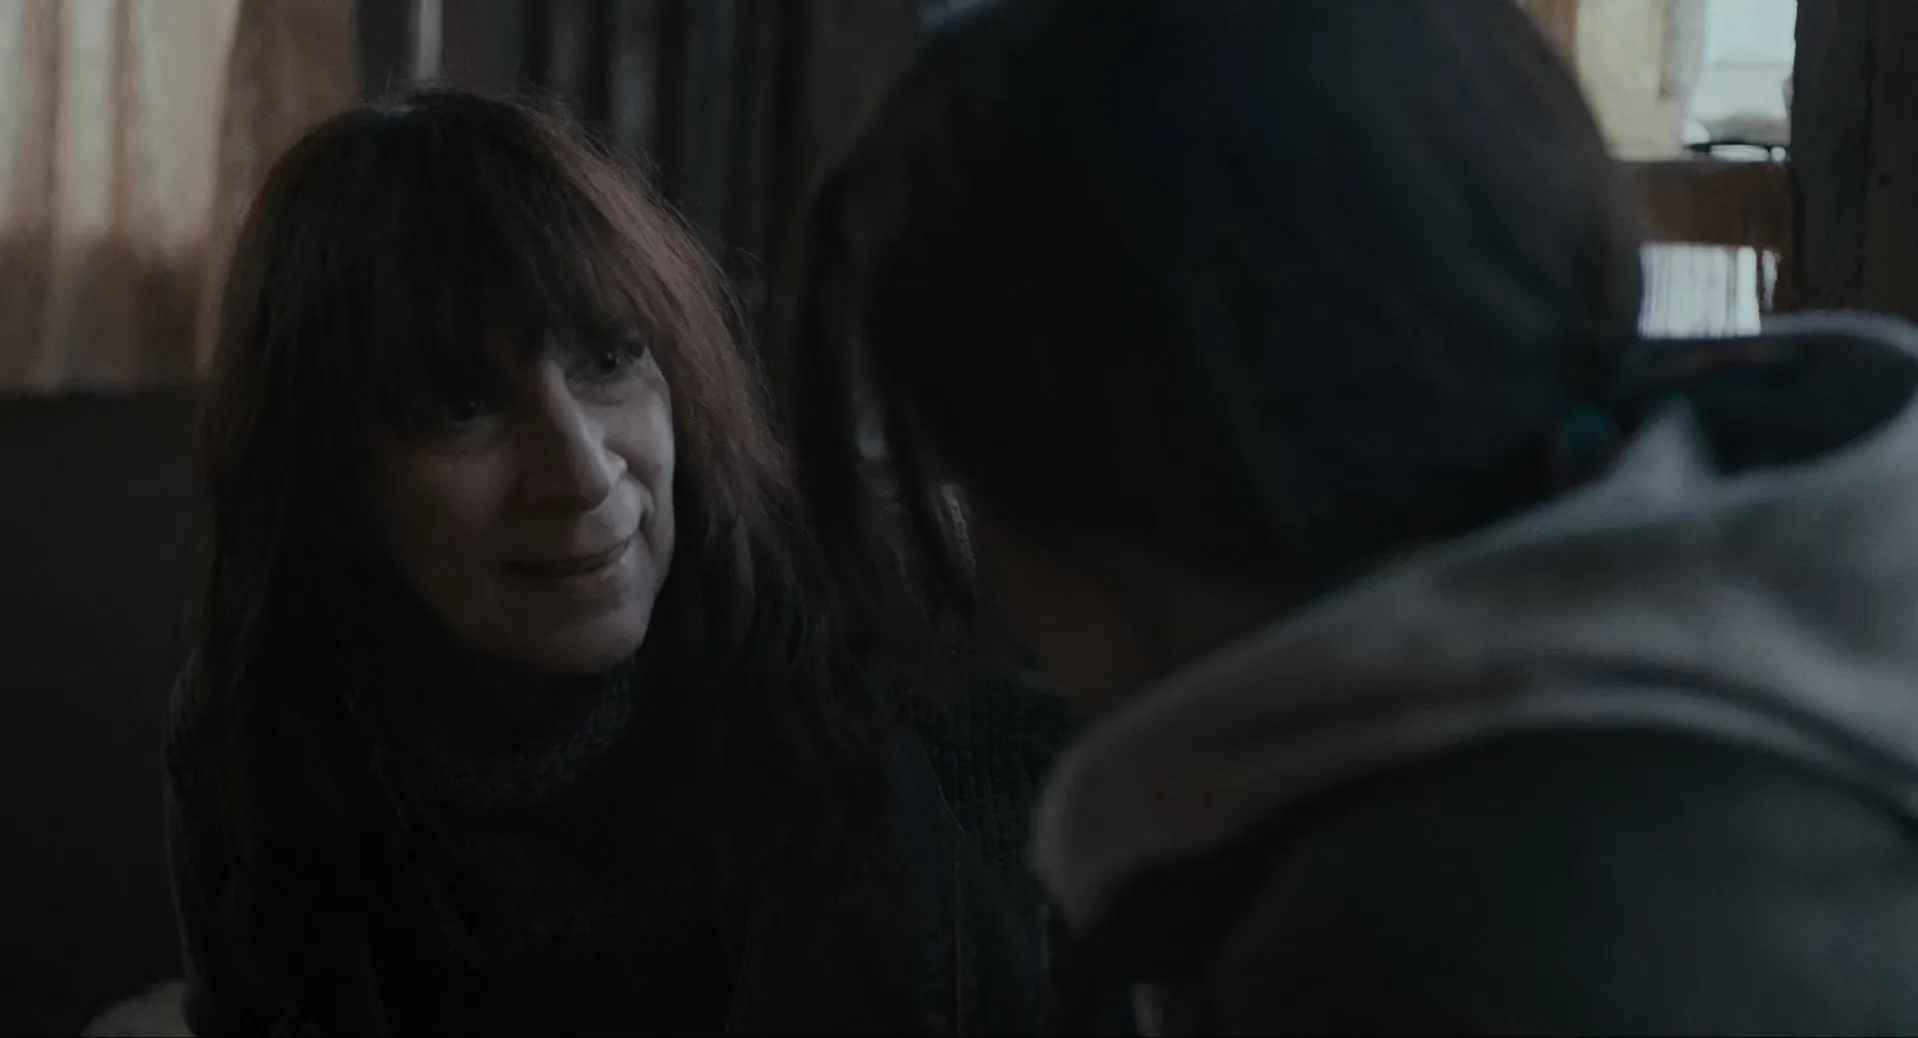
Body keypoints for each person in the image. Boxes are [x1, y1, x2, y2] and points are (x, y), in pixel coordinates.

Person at [786, 0, 1918, 1033]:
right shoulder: (1718, 687)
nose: (993, 571)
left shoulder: (1435, 939)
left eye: (974, 473)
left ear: (1160, 468)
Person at [167, 86, 1055, 1036]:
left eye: (609, 363)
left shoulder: (895, 627)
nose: (585, 474)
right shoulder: (271, 727)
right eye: (465, 409)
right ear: (332, 479)